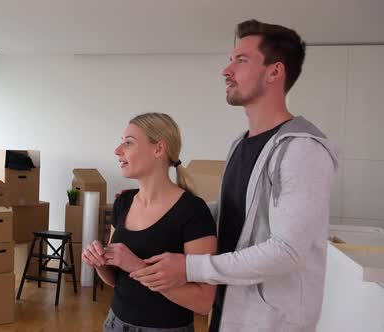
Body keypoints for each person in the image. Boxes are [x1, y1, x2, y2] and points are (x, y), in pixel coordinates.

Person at [130, 20, 338, 332]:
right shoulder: (240, 144)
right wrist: (168, 211)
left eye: (241, 60)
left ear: (274, 72)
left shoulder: (302, 150)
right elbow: (235, 217)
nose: (226, 71)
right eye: (230, 60)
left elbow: (287, 251)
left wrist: (190, 267)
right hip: (227, 311)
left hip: (270, 323)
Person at [82, 112, 217, 332]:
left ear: (158, 149)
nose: (118, 151)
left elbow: (203, 302)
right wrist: (100, 262)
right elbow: (116, 280)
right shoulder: (123, 202)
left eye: (128, 143)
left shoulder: (193, 211)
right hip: (115, 324)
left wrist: (136, 265)